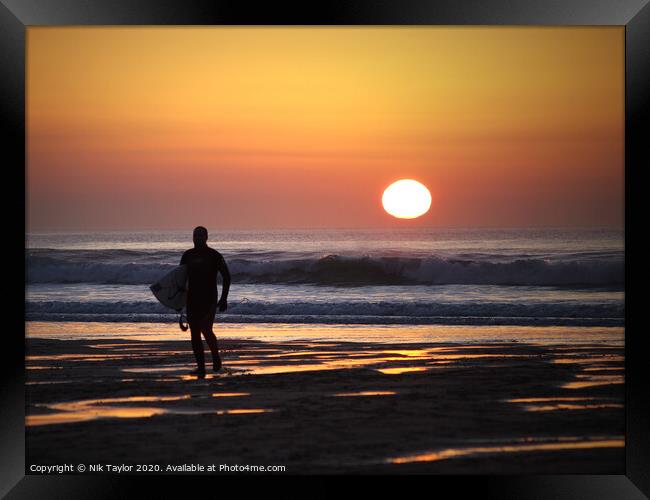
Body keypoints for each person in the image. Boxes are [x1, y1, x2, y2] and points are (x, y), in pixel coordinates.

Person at [180, 226, 231, 377]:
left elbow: (227, 276)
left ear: (207, 237)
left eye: (201, 235)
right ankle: (201, 367)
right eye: (195, 235)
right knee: (194, 333)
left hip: (209, 298)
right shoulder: (187, 255)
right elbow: (179, 280)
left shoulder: (214, 255)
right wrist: (177, 302)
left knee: (206, 329)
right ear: (192, 237)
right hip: (192, 299)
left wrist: (224, 298)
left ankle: (215, 357)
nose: (198, 238)